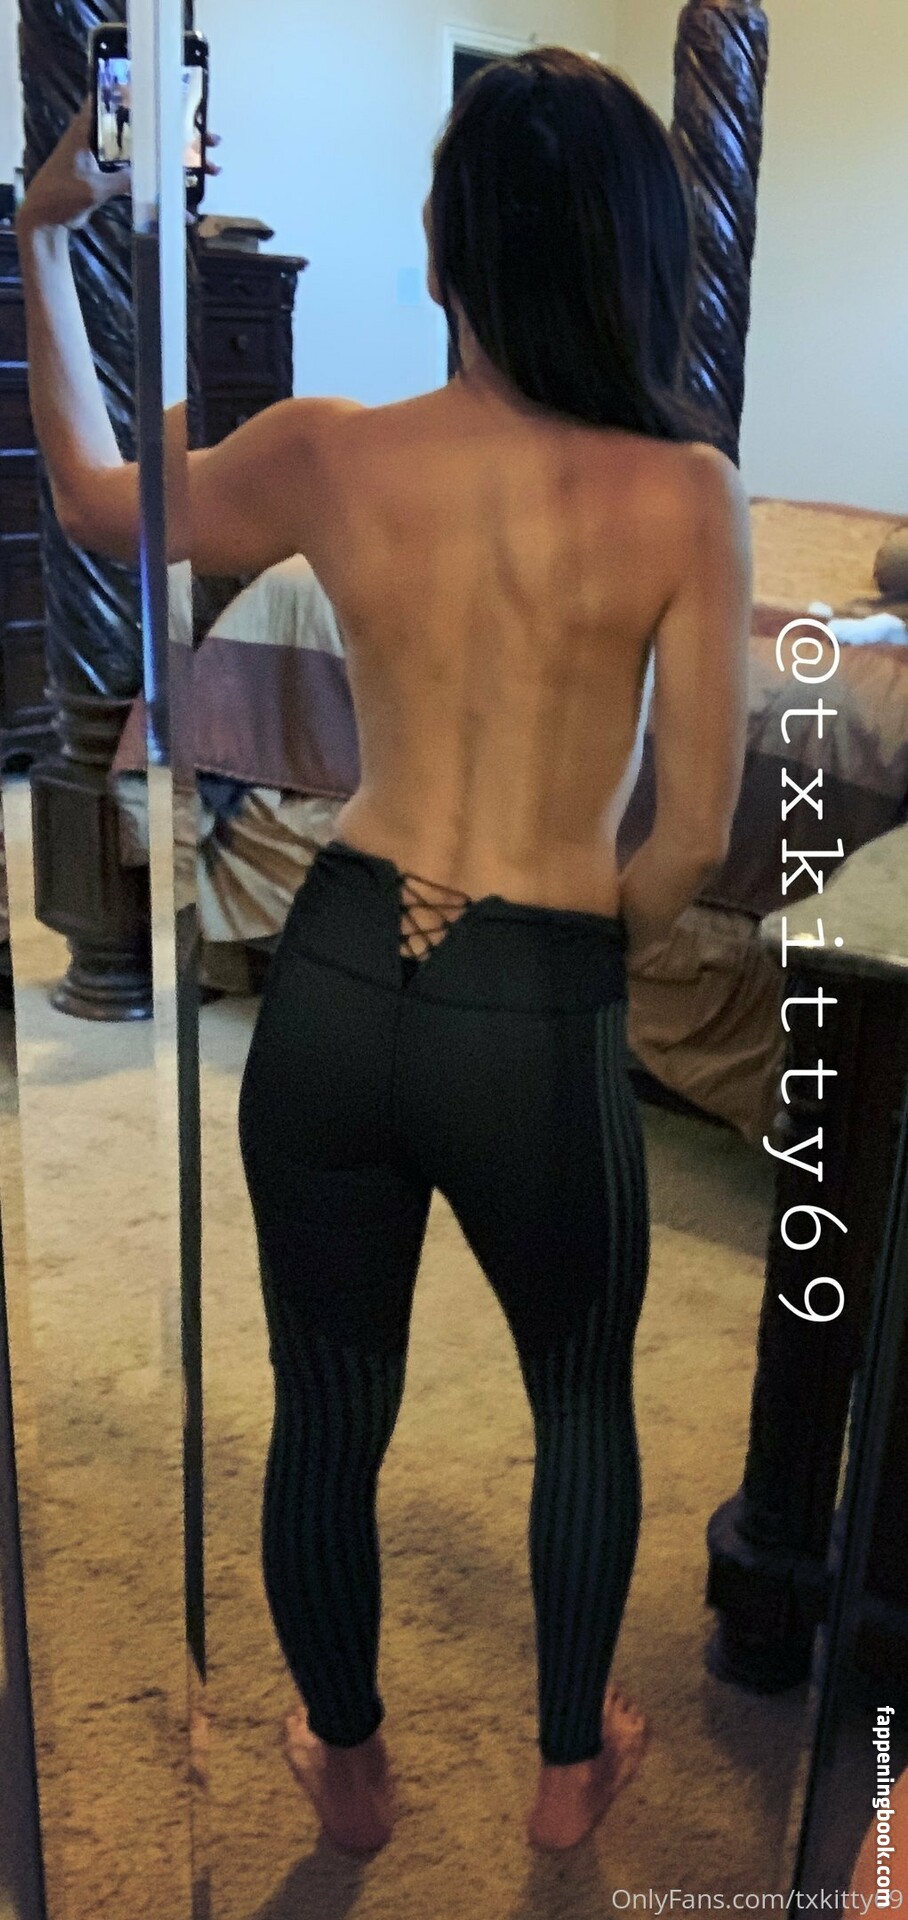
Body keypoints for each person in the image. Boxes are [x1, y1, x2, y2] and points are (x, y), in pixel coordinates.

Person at [16, 50, 751, 1858]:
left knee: (328, 1404)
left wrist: (36, 243)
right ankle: (568, 1772)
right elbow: (691, 838)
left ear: (442, 250)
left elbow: (97, 499)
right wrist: (567, 953)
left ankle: (345, 1766)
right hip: (531, 991)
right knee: (579, 1396)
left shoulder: (330, 449)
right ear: (636, 254)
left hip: (340, 970)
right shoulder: (688, 494)